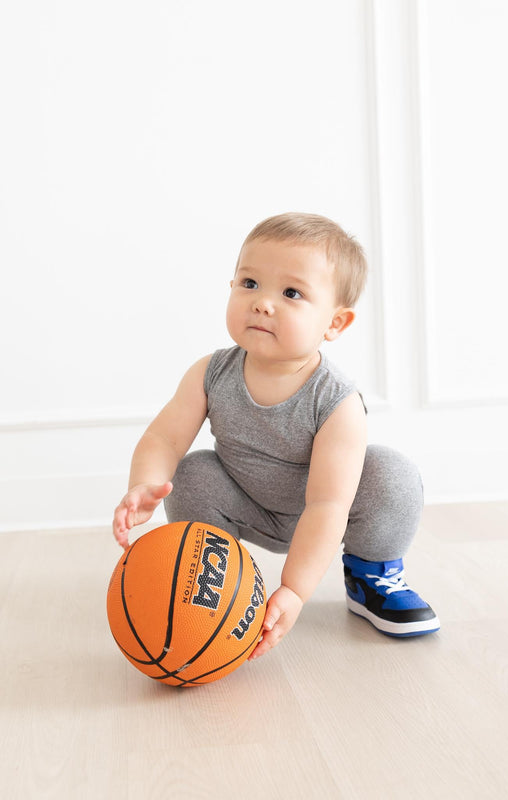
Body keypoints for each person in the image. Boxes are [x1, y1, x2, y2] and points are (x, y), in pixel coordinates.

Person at [113, 212, 439, 659]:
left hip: (325, 511)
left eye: (291, 293)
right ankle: (212, 580)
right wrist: (144, 485)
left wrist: (294, 590)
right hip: (247, 503)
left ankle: (370, 575)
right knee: (190, 472)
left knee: (391, 474)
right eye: (249, 283)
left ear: (335, 324)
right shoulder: (210, 373)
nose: (263, 303)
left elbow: (328, 504)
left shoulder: (337, 401)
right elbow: (164, 439)